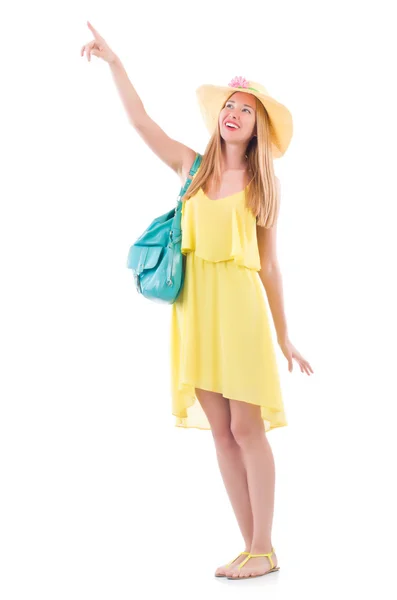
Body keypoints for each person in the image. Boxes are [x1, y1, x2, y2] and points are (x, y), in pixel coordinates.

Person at [81, 21, 314, 581]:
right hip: (195, 315)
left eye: (246, 110)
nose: (233, 114)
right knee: (221, 431)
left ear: (257, 128)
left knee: (247, 429)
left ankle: (263, 545)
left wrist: (284, 335)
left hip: (240, 317)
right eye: (228, 106)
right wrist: (116, 62)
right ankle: (252, 546)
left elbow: (272, 266)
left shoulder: (262, 188)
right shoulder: (192, 166)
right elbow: (141, 122)